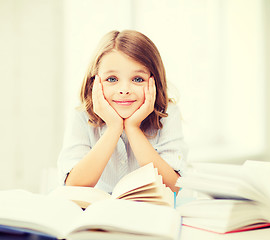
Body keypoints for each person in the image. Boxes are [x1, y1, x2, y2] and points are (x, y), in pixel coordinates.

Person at [57, 30, 187, 193]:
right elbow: (74, 185)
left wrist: (133, 128)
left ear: (154, 81)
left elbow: (173, 186)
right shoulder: (82, 114)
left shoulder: (167, 113)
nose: (124, 90)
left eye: (137, 79)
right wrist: (113, 128)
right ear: (94, 82)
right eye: (112, 79)